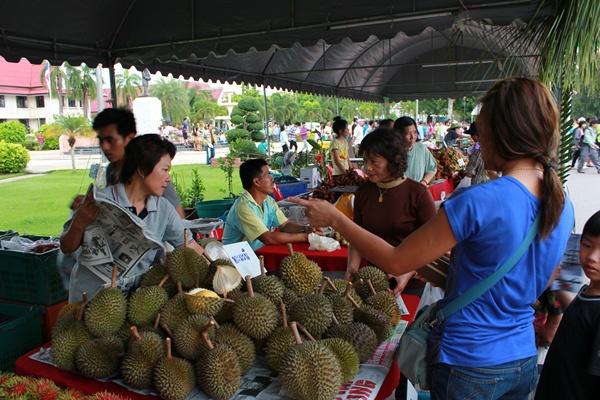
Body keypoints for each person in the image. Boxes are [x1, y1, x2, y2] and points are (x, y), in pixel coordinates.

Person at [292, 77, 575, 399]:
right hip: (521, 356)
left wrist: (336, 219)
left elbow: (396, 261)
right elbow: (532, 278)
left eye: (481, 132)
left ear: (500, 132)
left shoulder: (479, 200)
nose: (479, 143)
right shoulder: (562, 203)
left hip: (469, 360)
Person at [60, 134, 205, 302]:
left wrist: (219, 267)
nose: (168, 178)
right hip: (88, 301)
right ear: (142, 170)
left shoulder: (163, 209)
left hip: (130, 302)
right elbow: (66, 247)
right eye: (165, 170)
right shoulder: (100, 201)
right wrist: (79, 223)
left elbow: (190, 246)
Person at [347, 128, 436, 294]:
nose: (368, 168)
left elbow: (434, 244)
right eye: (365, 161)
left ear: (394, 160)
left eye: (375, 162)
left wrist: (410, 272)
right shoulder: (363, 193)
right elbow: (356, 236)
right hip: (372, 283)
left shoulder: (418, 193)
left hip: (413, 284)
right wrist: (352, 267)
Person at [535, 210, 600, 400]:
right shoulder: (588, 292)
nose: (593, 257)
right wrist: (554, 284)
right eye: (587, 245)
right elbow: (579, 313)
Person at [88, 108, 185, 218]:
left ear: (129, 138)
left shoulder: (150, 171)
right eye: (101, 140)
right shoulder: (112, 170)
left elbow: (178, 216)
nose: (104, 147)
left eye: (110, 140)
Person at [222, 158, 311, 250]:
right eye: (268, 174)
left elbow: (285, 225)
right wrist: (305, 237)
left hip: (260, 252)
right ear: (256, 182)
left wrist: (307, 229)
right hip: (236, 259)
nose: (272, 178)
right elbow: (268, 238)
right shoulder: (243, 207)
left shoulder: (268, 201)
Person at [393, 116, 437, 185]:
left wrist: (424, 182)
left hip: (418, 190)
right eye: (408, 133)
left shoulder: (421, 148)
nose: (412, 137)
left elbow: (432, 168)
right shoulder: (391, 152)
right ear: (398, 135)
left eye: (415, 132)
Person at [330, 116, 352, 183]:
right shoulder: (335, 142)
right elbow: (337, 161)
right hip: (338, 174)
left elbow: (347, 158)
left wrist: (351, 170)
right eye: (346, 128)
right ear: (340, 131)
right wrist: (346, 173)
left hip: (346, 172)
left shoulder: (345, 141)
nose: (348, 130)